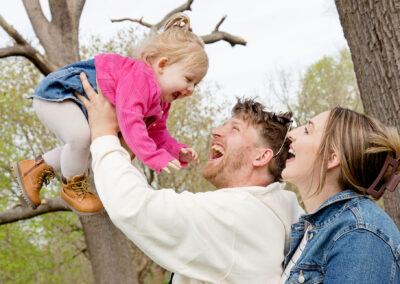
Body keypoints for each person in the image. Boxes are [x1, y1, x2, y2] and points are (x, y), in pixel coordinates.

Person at [76, 74, 303, 283]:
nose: (215, 131)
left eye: (234, 129)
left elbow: (133, 206)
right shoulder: (272, 214)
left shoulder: (237, 214)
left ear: (261, 156)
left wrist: (103, 134)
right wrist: (127, 151)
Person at [11, 13, 207, 215]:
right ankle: (72, 187)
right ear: (162, 65)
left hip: (77, 105)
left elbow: (157, 133)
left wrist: (174, 150)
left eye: (196, 85)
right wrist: (154, 157)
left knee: (90, 146)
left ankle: (32, 169)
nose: (191, 89)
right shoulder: (140, 78)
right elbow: (131, 123)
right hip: (61, 95)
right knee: (81, 138)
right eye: (188, 79)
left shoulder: (161, 102)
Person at [280, 108, 400, 283]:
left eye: (307, 130)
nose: (291, 134)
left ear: (331, 158)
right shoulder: (311, 229)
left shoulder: (360, 233)